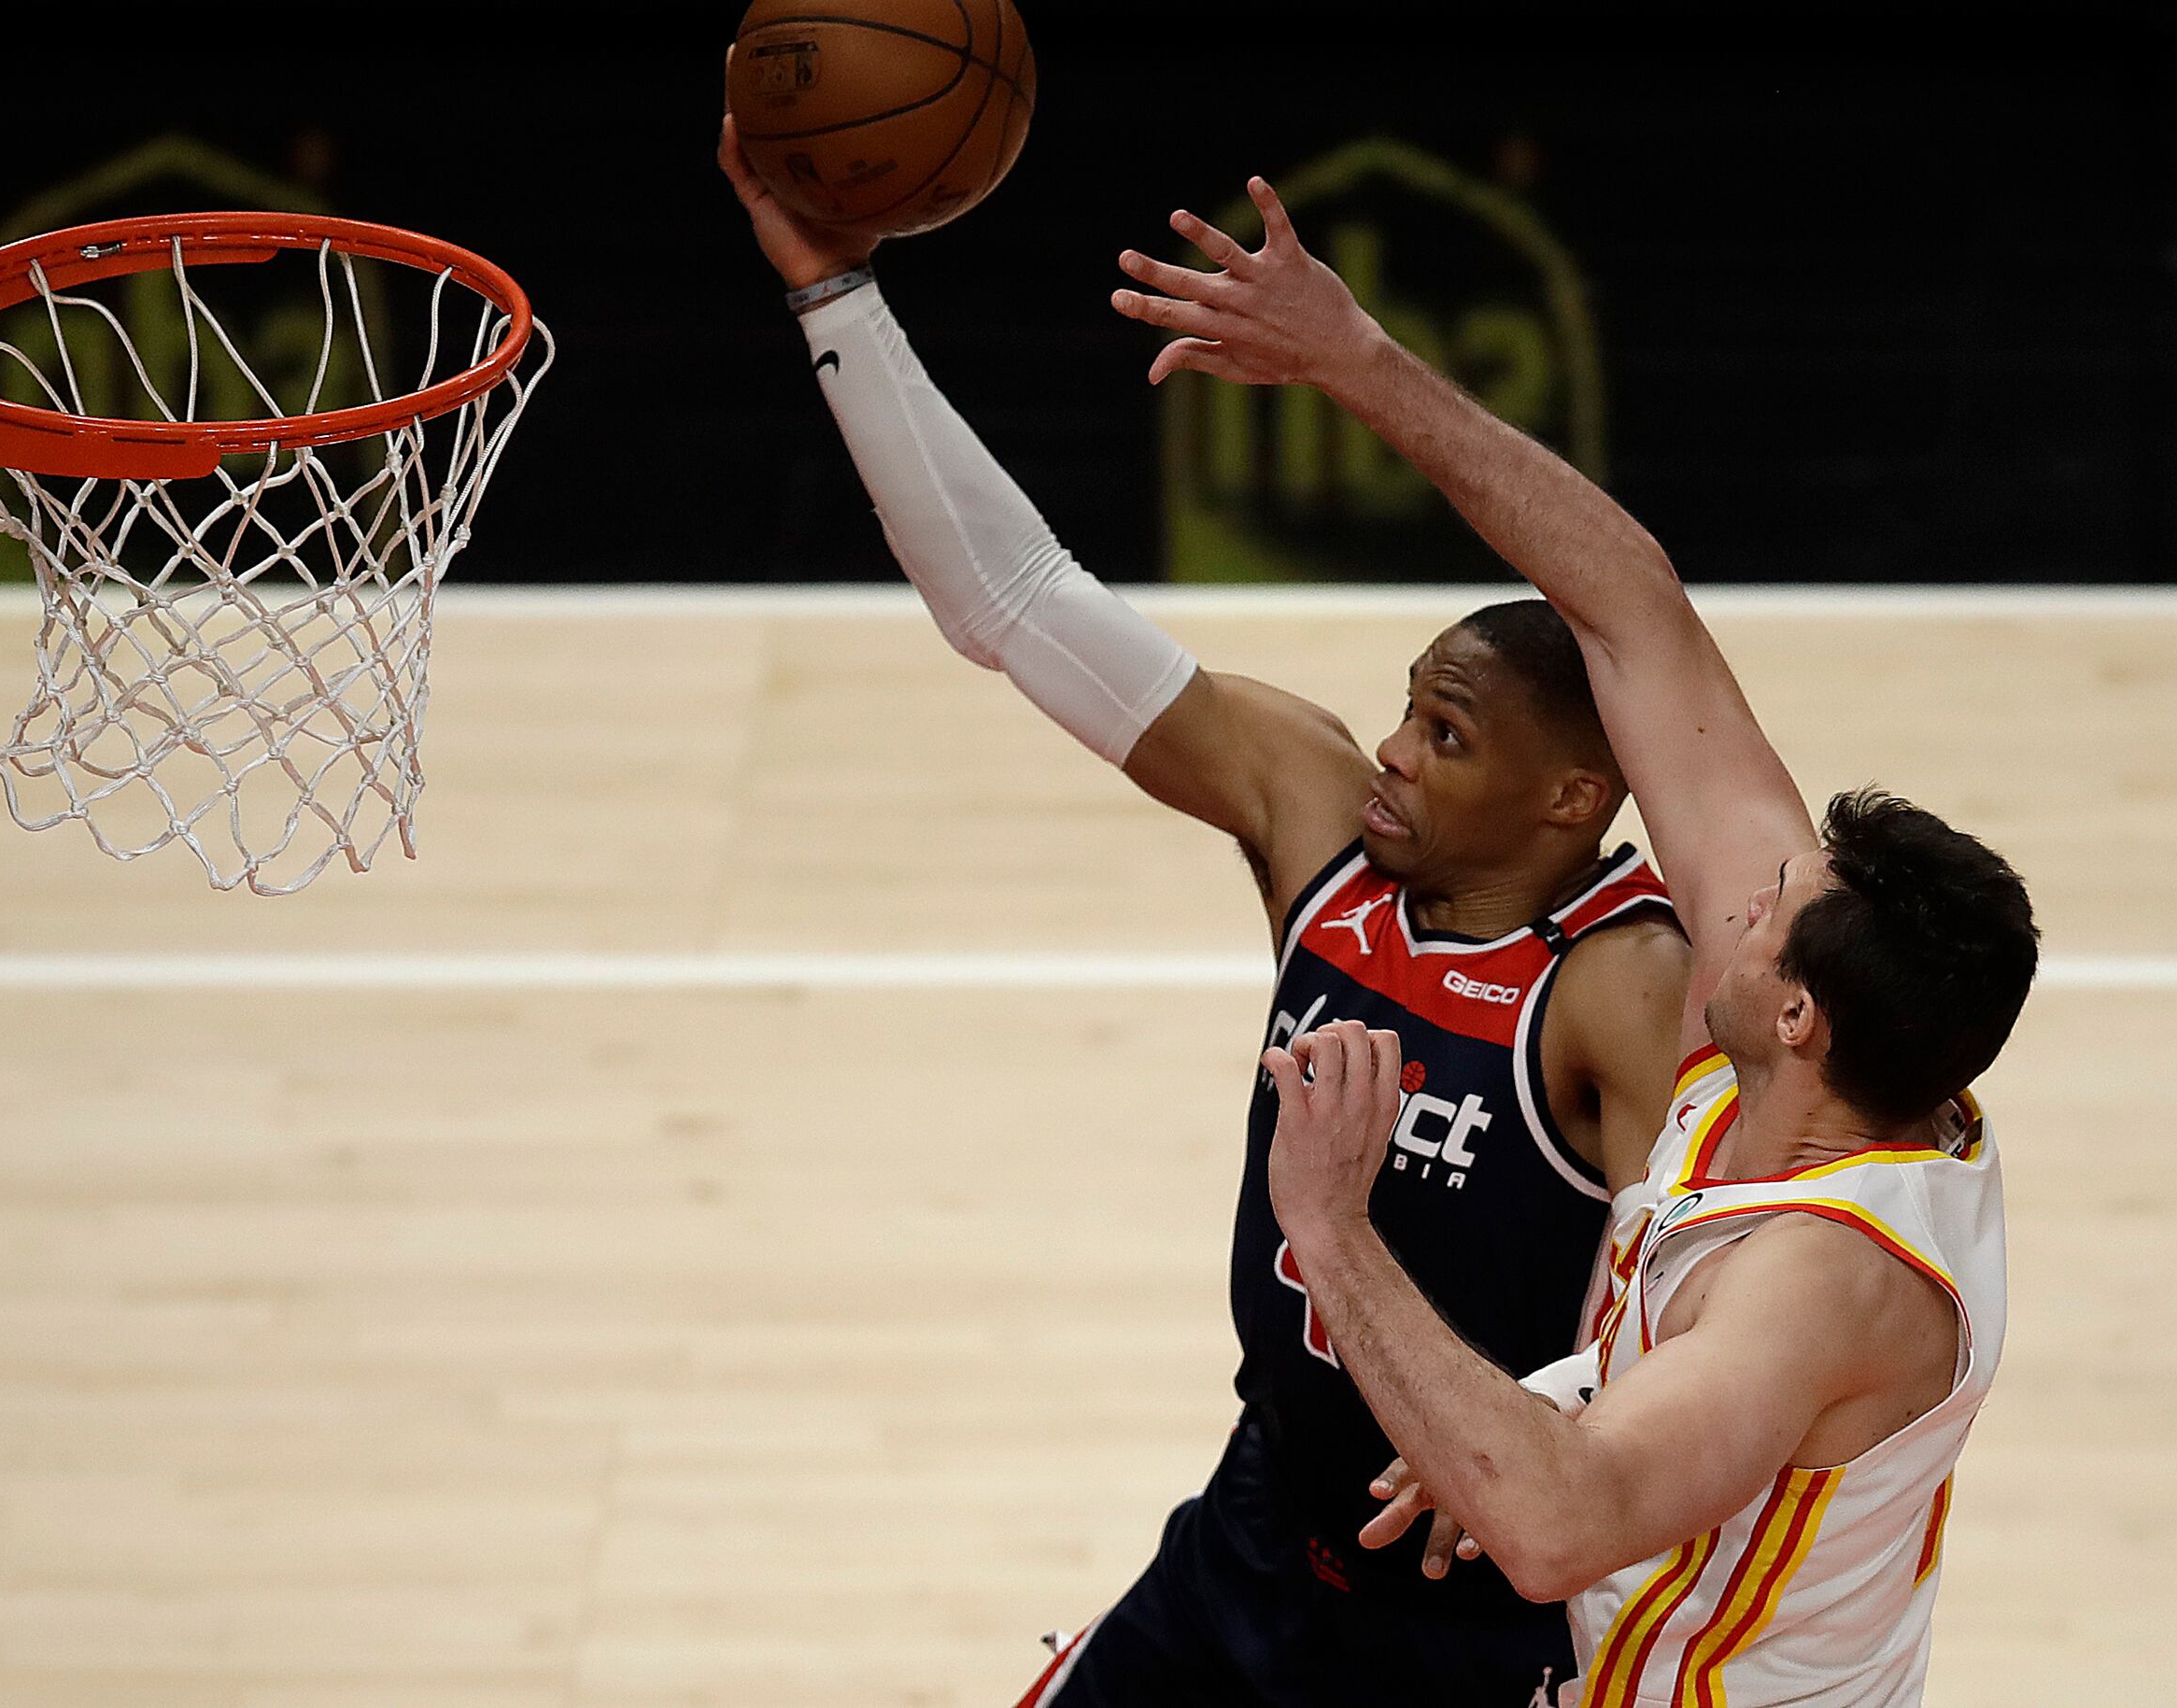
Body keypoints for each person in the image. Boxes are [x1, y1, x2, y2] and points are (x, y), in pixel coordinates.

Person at [718, 120, 1692, 1707]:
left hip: (1481, 1630)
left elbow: (1707, 1295)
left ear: (1572, 800)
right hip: (1254, 1540)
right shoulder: (1317, 818)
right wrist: (836, 294)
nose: (1391, 747)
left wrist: (1555, 1427)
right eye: (1407, 709)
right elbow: (1017, 603)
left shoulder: (1616, 983)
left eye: (1447, 736)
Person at [1109, 177, 2038, 1706]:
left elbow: (1553, 1519)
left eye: (1772, 913)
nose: (1736, 888)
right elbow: (1629, 614)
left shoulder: (1824, 1280)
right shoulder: (1831, 1056)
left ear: (1798, 1013)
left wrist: (1334, 1227)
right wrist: (1352, 358)